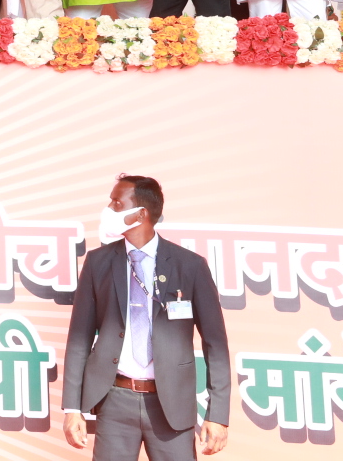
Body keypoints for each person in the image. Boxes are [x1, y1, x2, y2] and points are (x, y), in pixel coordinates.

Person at [62, 174, 231, 460]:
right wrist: (71, 409)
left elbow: (216, 345)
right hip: (114, 400)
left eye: (117, 204)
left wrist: (218, 415)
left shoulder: (190, 266)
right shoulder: (97, 263)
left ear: (140, 214)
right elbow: (79, 338)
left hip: (171, 405)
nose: (109, 210)